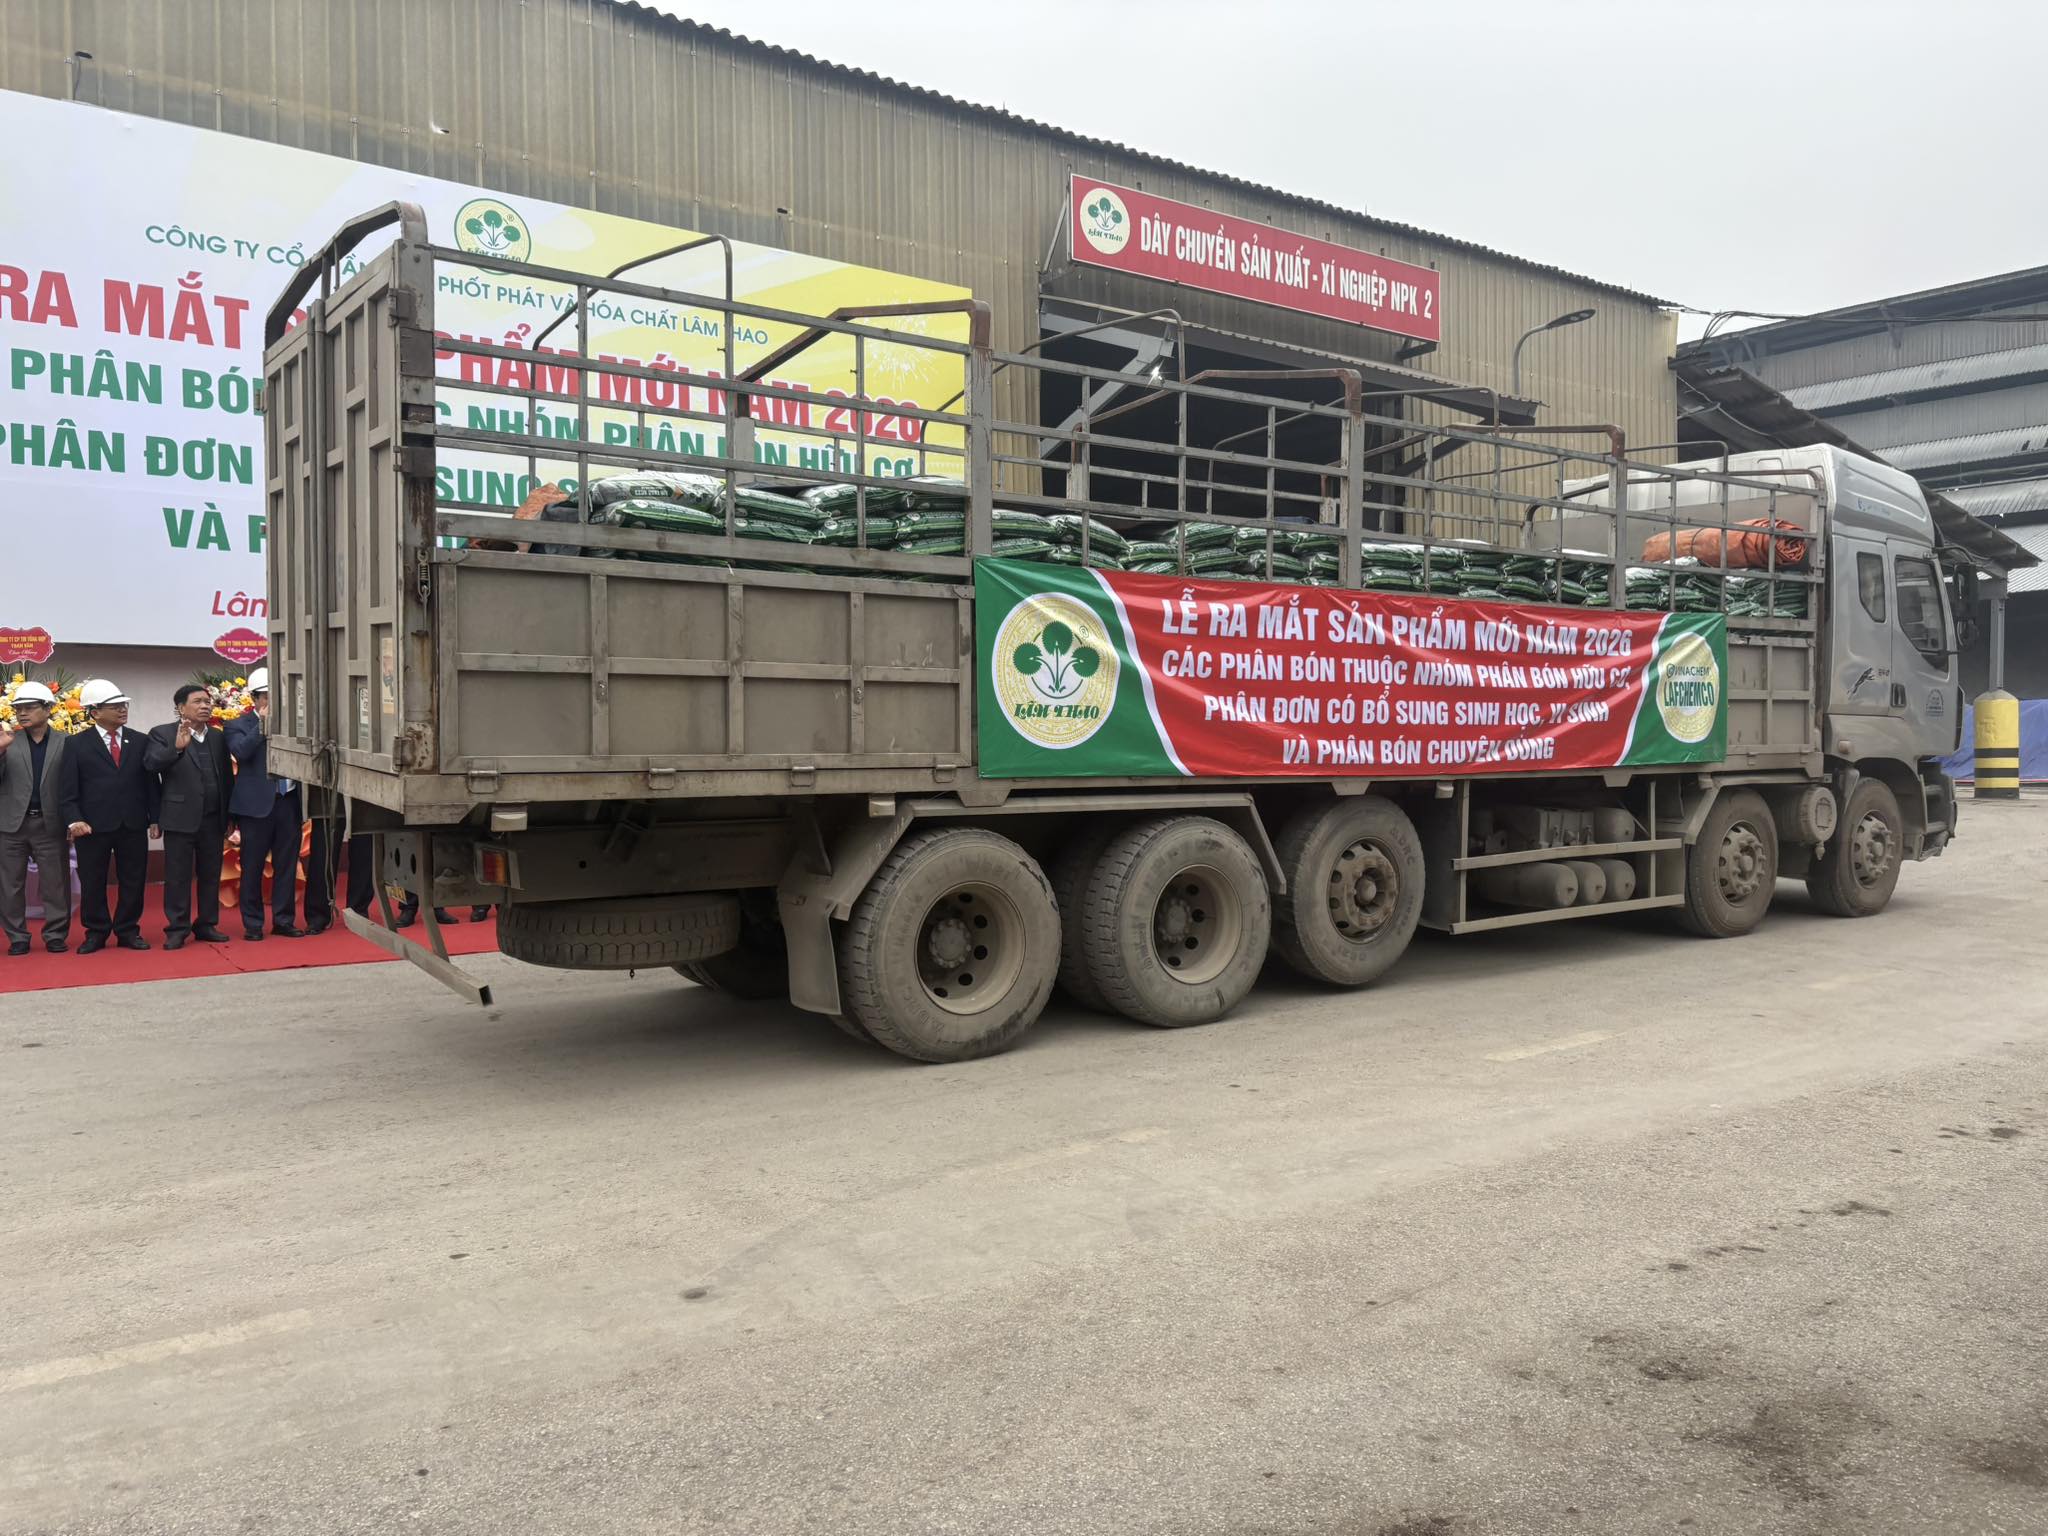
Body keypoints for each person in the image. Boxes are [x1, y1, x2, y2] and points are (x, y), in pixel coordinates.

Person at [56, 678, 158, 953]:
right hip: (91, 826)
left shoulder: (140, 740)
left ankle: (128, 930)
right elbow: (68, 788)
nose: (122, 710)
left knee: (133, 880)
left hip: (133, 823)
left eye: (124, 705)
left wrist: (155, 818)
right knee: (93, 881)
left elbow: (151, 783)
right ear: (95, 712)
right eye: (115, 706)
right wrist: (74, 819)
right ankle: (96, 932)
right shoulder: (76, 744)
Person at [145, 683, 232, 949]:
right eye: (198, 702)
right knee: (178, 876)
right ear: (181, 708)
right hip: (179, 817)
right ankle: (177, 928)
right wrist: (177, 748)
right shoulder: (162, 733)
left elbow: (226, 778)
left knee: (210, 875)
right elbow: (150, 765)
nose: (205, 706)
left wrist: (229, 815)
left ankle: (207, 924)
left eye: (207, 701)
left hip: (213, 819)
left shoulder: (217, 736)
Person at [225, 667, 305, 941]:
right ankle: (253, 924)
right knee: (253, 866)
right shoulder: (237, 725)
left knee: (287, 865)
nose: (276, 701)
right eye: (269, 696)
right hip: (255, 807)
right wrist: (262, 724)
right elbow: (241, 752)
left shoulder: (294, 723)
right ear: (255, 699)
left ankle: (284, 920)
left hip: (288, 802)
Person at [0, 681, 72, 956]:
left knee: (55, 883)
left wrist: (73, 820)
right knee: (10, 885)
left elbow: (74, 784)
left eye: (29, 707)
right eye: (18, 708)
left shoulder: (67, 742)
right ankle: (17, 937)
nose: (22, 713)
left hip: (50, 823)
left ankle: (55, 934)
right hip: (11, 825)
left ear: (48, 708)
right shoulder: (7, 740)